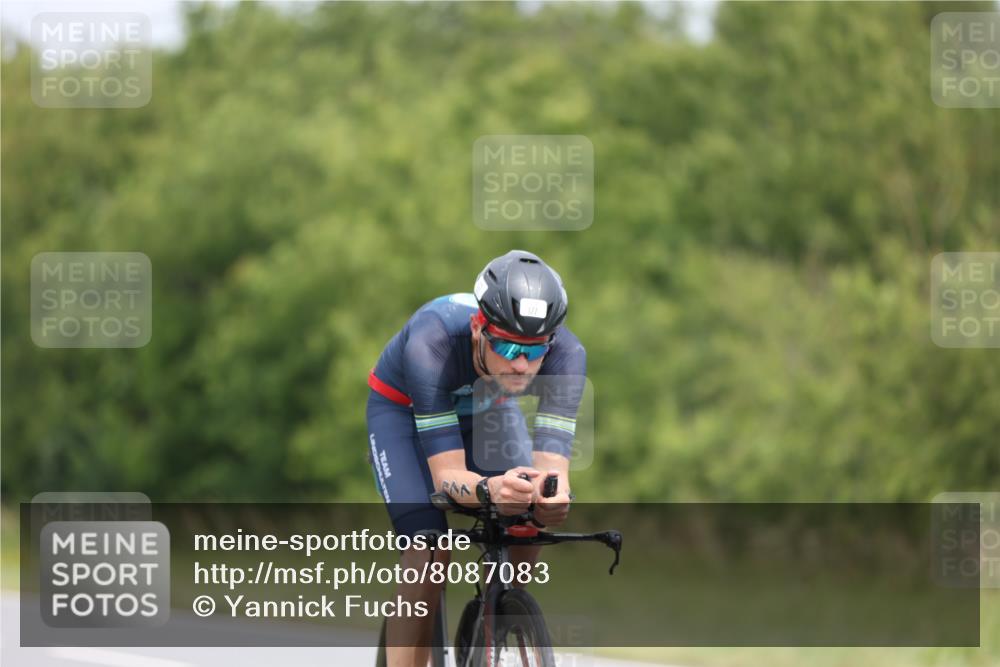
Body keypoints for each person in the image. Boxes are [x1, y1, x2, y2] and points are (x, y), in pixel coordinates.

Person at [366, 249, 586, 666]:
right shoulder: (432, 342)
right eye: (506, 346)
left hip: (488, 410)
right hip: (403, 414)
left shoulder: (567, 355)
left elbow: (552, 468)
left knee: (527, 515)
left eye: (534, 350)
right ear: (476, 328)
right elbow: (448, 477)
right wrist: (489, 488)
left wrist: (550, 497)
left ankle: (495, 623)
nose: (521, 365)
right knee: (429, 550)